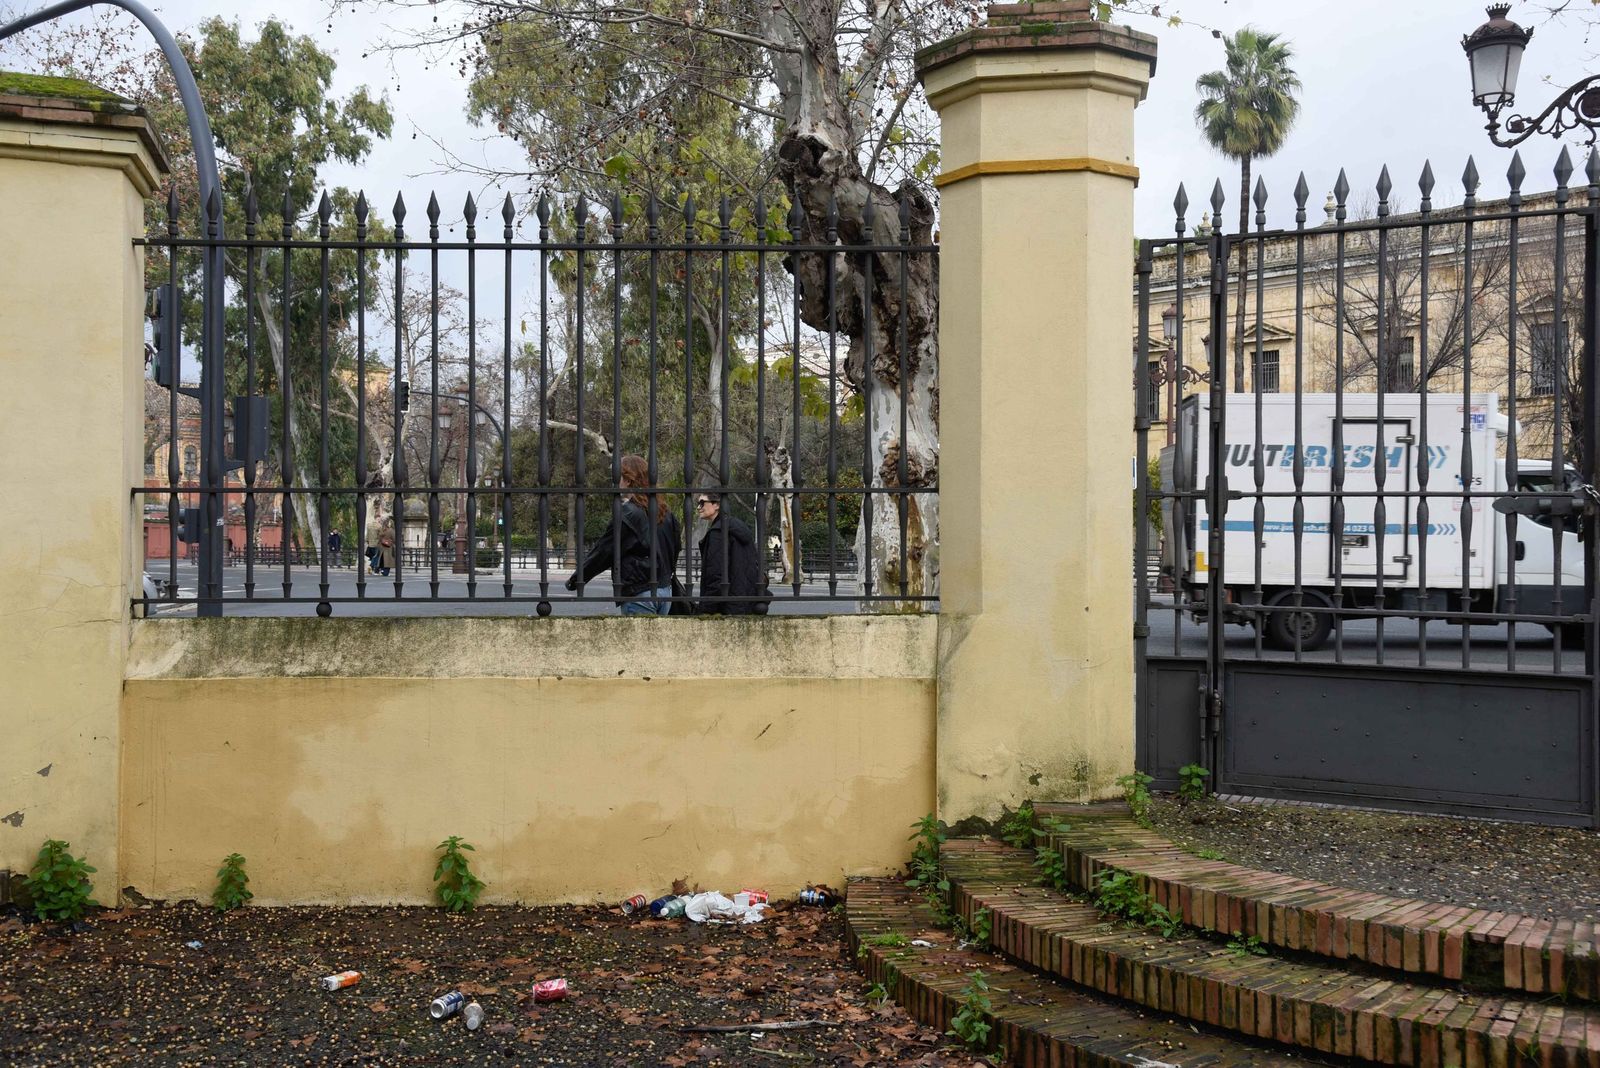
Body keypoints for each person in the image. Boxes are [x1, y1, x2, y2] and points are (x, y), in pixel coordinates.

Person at [566, 455, 682, 615]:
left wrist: (577, 579)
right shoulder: (666, 511)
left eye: (617, 476)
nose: (615, 481)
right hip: (665, 590)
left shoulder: (628, 514)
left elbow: (604, 551)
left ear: (628, 480)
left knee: (637, 640)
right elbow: (676, 547)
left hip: (640, 591)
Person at [694, 493, 769, 615]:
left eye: (702, 503)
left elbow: (716, 575)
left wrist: (705, 610)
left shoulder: (718, 533)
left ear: (717, 505)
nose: (698, 507)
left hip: (727, 606)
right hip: (746, 602)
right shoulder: (738, 527)